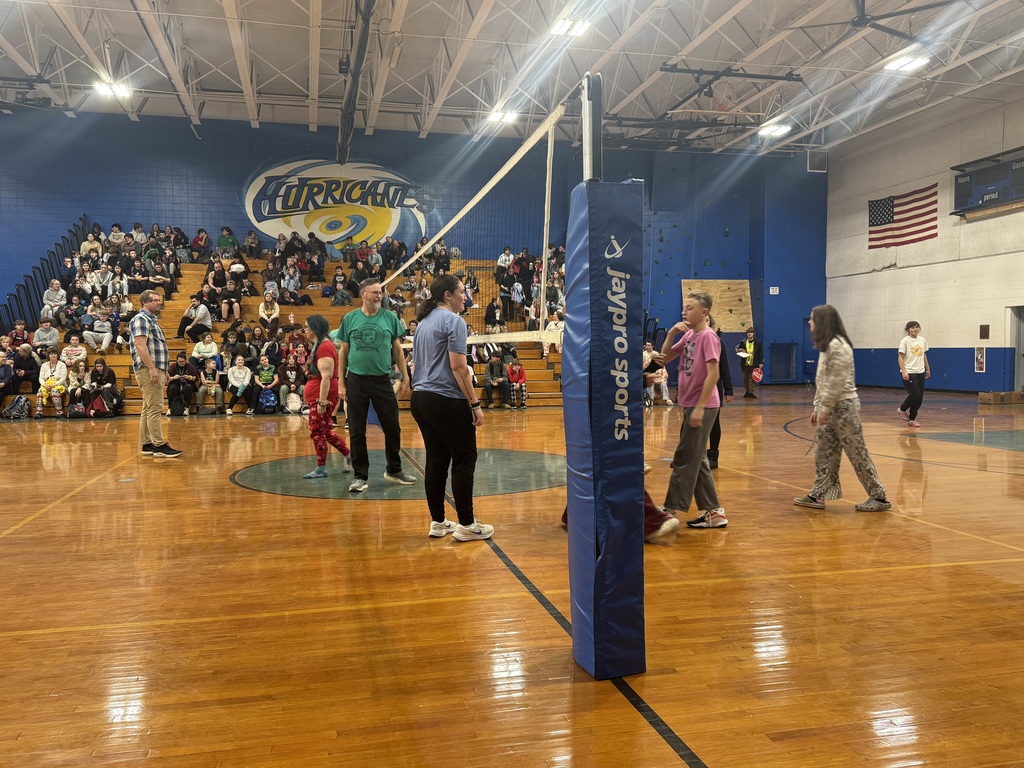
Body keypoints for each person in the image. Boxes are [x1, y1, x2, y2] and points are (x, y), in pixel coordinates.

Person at [409, 274, 492, 541]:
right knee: (464, 458)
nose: (465, 297)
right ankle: (467, 524)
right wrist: (475, 404)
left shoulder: (422, 323)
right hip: (445, 399)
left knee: (436, 460)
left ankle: (438, 521)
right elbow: (458, 367)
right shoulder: (454, 321)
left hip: (421, 399)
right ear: (448, 295)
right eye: (462, 292)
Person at [793, 305, 892, 513]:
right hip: (829, 407)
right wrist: (817, 406)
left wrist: (825, 407)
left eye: (812, 319)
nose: (809, 322)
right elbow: (824, 381)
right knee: (825, 452)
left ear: (823, 321)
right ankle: (818, 495)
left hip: (844, 407)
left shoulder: (839, 346)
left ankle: (879, 497)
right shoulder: (827, 345)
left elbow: (837, 382)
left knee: (857, 452)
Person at [337, 278, 415, 492]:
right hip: (356, 380)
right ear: (363, 294)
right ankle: (360, 476)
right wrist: (341, 383)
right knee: (356, 430)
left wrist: (406, 376)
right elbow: (343, 351)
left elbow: (398, 350)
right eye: (374, 292)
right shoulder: (350, 318)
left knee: (392, 426)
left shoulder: (390, 318)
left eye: (380, 292)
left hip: (382, 380)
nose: (379, 296)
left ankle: (394, 470)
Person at [660, 291, 727, 529]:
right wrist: (670, 334)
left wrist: (699, 408)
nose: (683, 311)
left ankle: (669, 509)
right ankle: (714, 512)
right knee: (697, 459)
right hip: (690, 404)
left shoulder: (708, 337)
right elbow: (663, 358)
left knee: (685, 458)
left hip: (704, 405)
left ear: (704, 312)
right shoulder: (689, 335)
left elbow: (714, 374)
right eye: (684, 308)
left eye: (689, 308)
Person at [297, 315, 353, 477]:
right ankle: (349, 456)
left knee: (316, 431)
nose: (305, 330)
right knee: (326, 430)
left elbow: (327, 376)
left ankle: (321, 468)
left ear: (314, 328)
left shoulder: (324, 347)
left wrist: (322, 401)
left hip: (322, 397)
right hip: (317, 394)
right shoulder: (319, 345)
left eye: (306, 327)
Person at [130, 290, 182, 458]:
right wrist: (152, 368)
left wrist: (164, 369)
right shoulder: (141, 319)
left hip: (155, 368)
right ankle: (159, 445)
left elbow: (155, 347)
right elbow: (140, 345)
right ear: (146, 302)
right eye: (155, 300)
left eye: (160, 300)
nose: (159, 303)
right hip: (148, 369)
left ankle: (146, 444)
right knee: (155, 408)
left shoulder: (151, 320)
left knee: (147, 407)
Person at [707, 326, 735, 470]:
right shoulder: (690, 340)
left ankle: (713, 456)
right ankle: (685, 455)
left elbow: (724, 366)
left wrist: (728, 389)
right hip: (693, 392)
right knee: (687, 424)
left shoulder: (718, 342)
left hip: (713, 391)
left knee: (714, 423)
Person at [897, 321, 930, 427]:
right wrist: (904, 371)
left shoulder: (922, 340)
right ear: (908, 330)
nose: (915, 329)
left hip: (920, 372)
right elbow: (900, 357)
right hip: (909, 372)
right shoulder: (905, 341)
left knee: (919, 398)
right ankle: (902, 409)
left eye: (917, 327)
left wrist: (927, 369)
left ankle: (912, 419)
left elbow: (923, 355)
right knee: (915, 394)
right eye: (912, 328)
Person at [35, 347, 68, 418]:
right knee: (40, 391)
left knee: (54, 391)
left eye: (55, 354)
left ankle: (60, 412)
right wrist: (44, 385)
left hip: (59, 385)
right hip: (47, 385)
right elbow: (41, 378)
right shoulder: (44, 365)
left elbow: (63, 378)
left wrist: (54, 385)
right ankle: (39, 412)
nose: (53, 355)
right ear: (48, 355)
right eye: (51, 354)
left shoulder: (62, 365)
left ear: (57, 355)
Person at [736, 327, 763, 398]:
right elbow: (739, 350)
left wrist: (761, 363)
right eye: (748, 333)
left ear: (754, 334)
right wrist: (741, 350)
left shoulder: (758, 343)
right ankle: (747, 391)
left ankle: (751, 392)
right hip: (745, 364)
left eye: (750, 333)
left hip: (754, 363)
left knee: (752, 378)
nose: (749, 334)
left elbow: (760, 353)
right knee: (745, 378)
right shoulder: (743, 342)